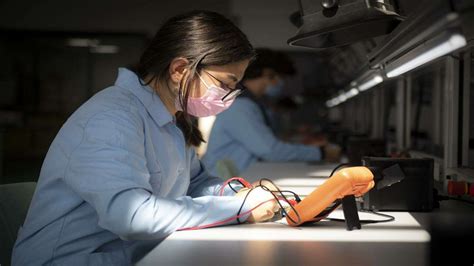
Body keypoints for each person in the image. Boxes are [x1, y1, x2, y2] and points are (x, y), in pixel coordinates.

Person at [12, 11, 279, 265]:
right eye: (225, 84)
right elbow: (133, 216)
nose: (229, 95)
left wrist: (240, 193)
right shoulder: (111, 119)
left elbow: (196, 182)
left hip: (134, 253)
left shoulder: (170, 120)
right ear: (179, 70)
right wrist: (240, 209)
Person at [202, 48, 333, 176]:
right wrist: (321, 152)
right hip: (223, 185)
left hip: (240, 177)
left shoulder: (251, 104)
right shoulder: (240, 107)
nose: (280, 83)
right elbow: (270, 151)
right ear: (268, 73)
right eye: (279, 77)